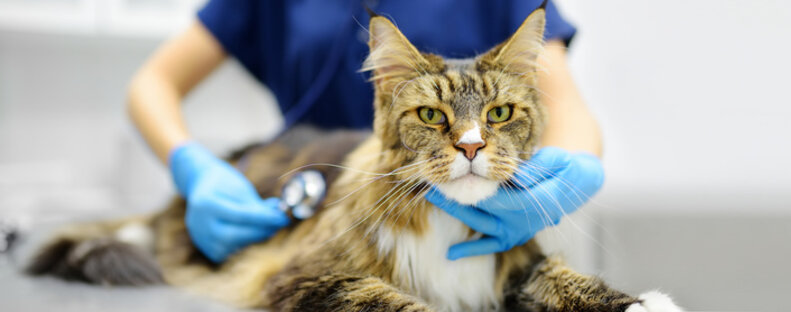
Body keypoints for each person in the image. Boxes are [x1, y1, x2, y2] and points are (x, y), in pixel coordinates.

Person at [127, 0, 604, 263]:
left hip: (455, 213)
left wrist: (572, 173)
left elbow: (565, 106)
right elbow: (152, 84)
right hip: (315, 203)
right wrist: (194, 167)